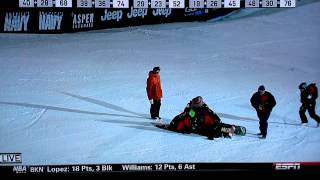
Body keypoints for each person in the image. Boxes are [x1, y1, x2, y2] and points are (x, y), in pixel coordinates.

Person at [167, 96, 244, 140]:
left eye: (198, 104)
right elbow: (186, 116)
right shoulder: (191, 108)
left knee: (217, 126)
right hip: (200, 126)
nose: (197, 105)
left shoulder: (203, 108)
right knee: (216, 128)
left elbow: (212, 114)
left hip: (203, 125)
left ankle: (231, 129)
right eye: (196, 104)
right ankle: (229, 130)